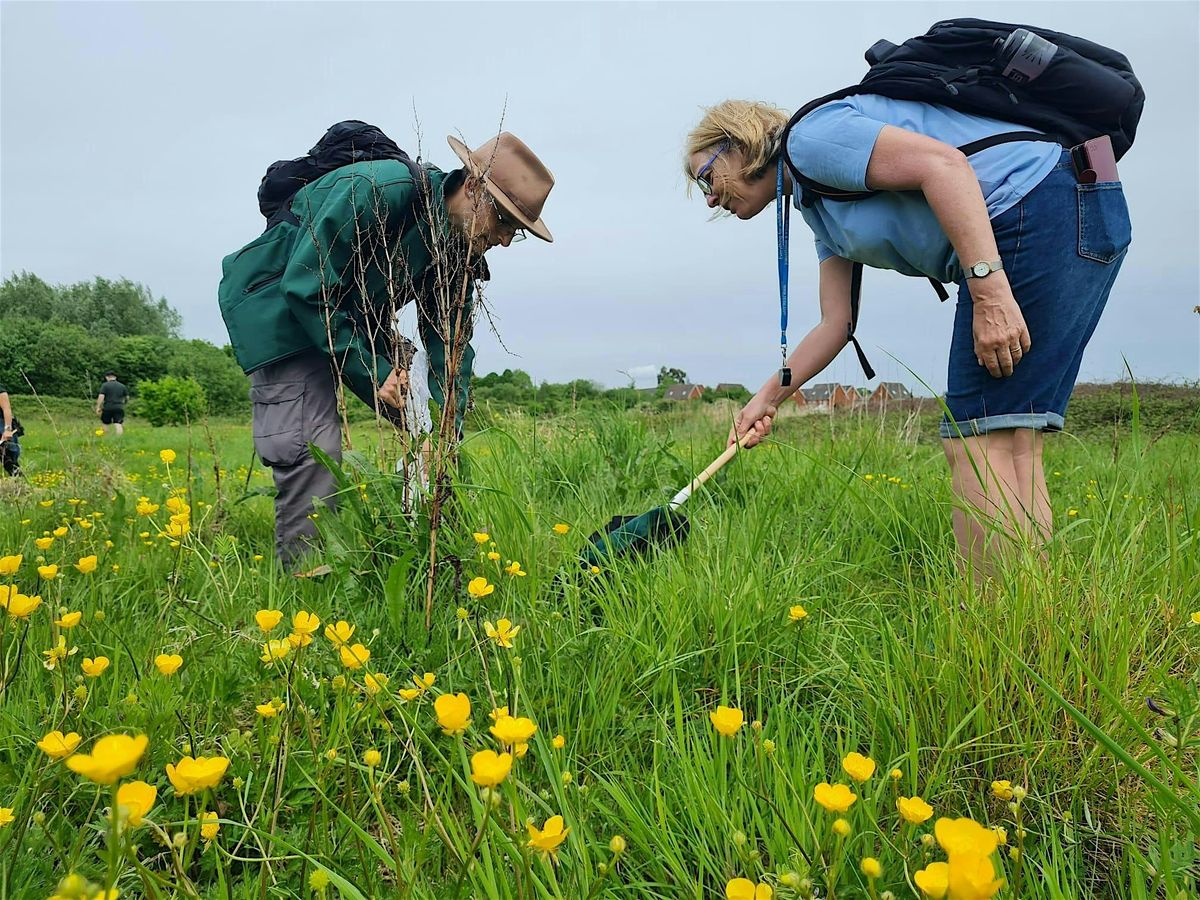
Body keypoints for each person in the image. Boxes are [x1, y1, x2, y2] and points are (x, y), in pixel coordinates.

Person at [683, 98, 1130, 573]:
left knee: (976, 441)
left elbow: (946, 165)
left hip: (1035, 211)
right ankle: (1032, 611)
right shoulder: (820, 208)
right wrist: (767, 398)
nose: (709, 198)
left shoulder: (811, 140)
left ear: (739, 144)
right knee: (1011, 436)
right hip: (1075, 207)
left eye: (706, 176)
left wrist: (989, 292)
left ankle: (991, 619)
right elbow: (837, 324)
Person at [219, 130, 554, 567]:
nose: (506, 240)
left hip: (347, 319)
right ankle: (307, 586)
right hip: (281, 313)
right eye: (504, 221)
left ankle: (428, 556)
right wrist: (374, 370)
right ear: (472, 187)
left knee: (431, 436)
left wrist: (444, 430)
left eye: (518, 231)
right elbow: (306, 287)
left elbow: (450, 344)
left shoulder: (455, 246)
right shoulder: (378, 190)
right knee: (313, 449)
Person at [95, 371, 129, 436]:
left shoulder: (105, 385)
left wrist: (98, 407)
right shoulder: (122, 386)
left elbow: (101, 396)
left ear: (107, 377)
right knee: (118, 423)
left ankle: (106, 437)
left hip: (108, 407)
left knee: (105, 423)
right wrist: (123, 404)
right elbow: (127, 397)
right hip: (119, 407)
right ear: (115, 377)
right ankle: (119, 439)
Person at [0, 380, 21, 477]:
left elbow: (6, 408)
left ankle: (19, 486)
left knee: (8, 459)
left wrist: (7, 429)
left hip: (1, 425)